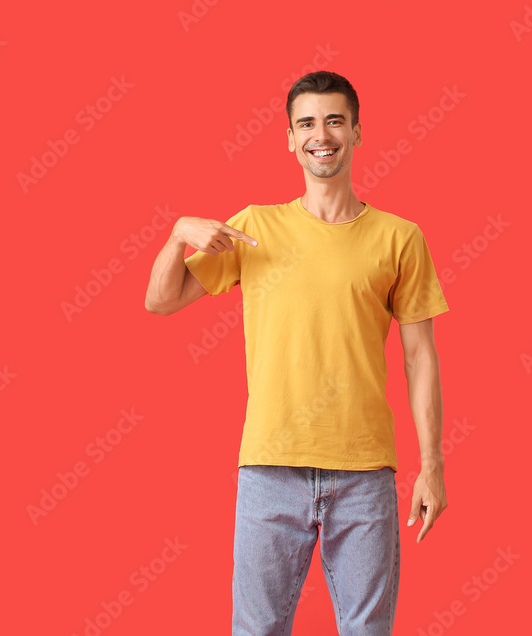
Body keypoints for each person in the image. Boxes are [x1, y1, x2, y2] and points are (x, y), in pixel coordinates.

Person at [144, 70, 449, 635]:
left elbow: (420, 358)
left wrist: (431, 466)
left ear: (357, 132)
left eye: (334, 121)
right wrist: (177, 234)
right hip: (269, 469)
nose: (321, 135)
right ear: (289, 138)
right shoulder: (254, 228)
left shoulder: (400, 238)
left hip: (364, 473)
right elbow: (160, 301)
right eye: (306, 123)